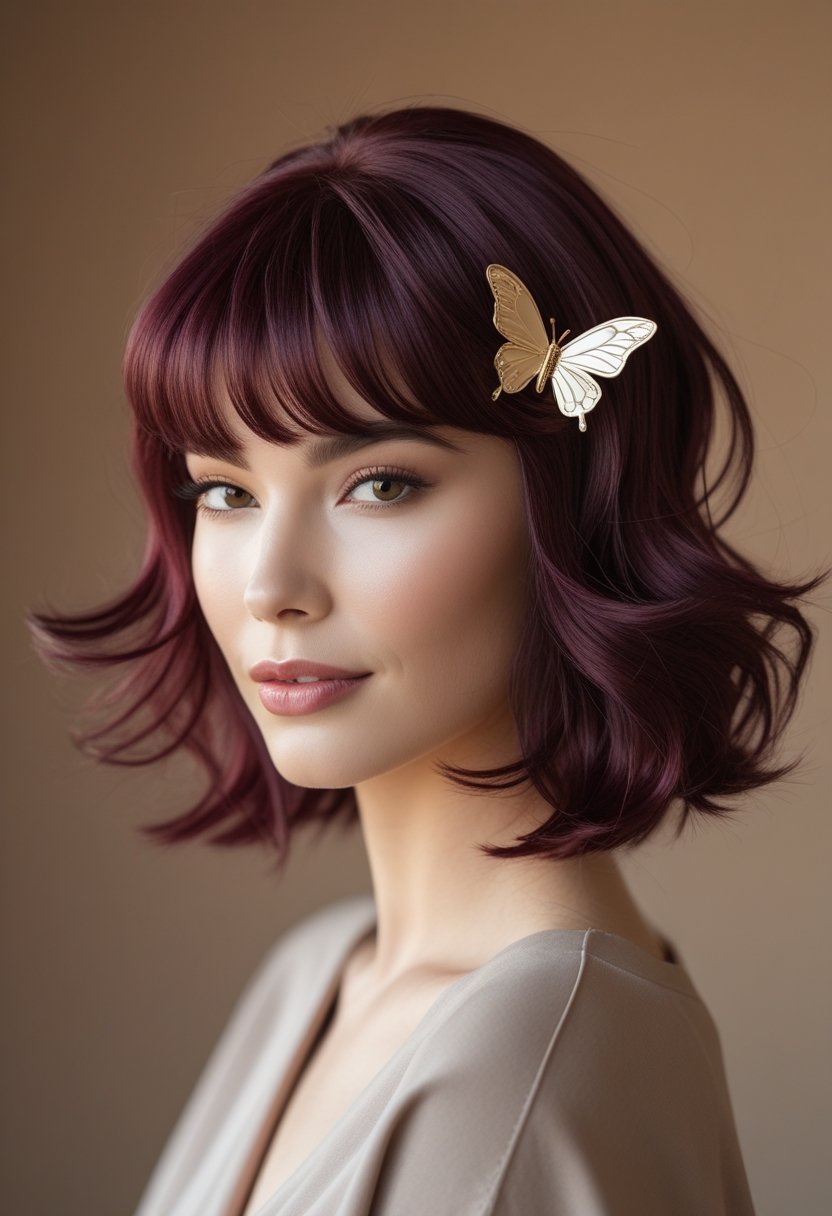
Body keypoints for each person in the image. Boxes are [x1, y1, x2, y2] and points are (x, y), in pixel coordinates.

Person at [26, 105, 827, 1216]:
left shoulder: (529, 1065)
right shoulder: (318, 976)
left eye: (380, 483)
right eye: (225, 489)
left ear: (573, 500)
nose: (269, 584)